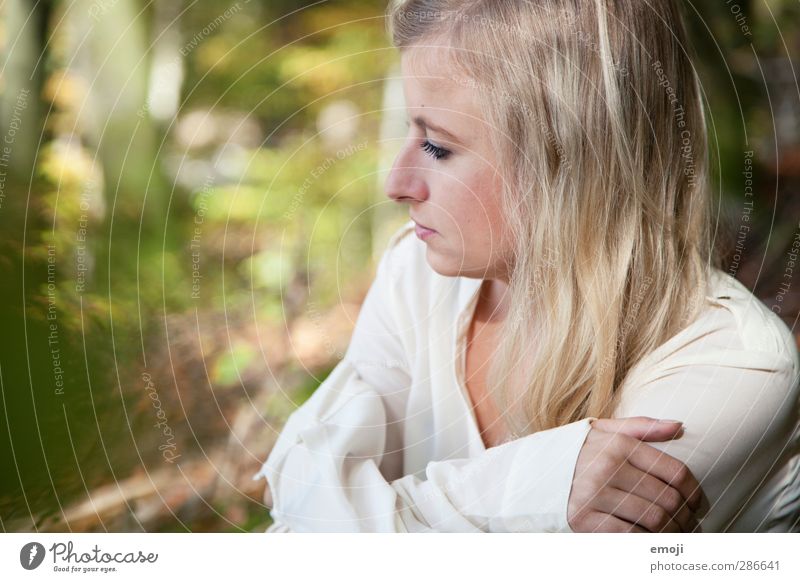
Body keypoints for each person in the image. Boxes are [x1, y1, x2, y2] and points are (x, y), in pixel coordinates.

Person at [252, 0, 800, 532]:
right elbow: (295, 492)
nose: (396, 183)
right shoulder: (415, 277)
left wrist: (355, 499)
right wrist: (537, 485)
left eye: (438, 146)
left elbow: (321, 513)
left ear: (572, 157)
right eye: (410, 131)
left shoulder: (733, 367)